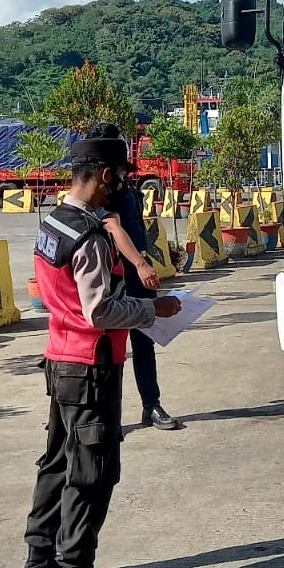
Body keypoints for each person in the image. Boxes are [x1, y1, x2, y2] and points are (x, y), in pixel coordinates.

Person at [21, 135, 180, 568]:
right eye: (122, 177)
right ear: (105, 175)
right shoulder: (89, 236)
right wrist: (155, 310)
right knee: (92, 471)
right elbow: (100, 311)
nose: (124, 186)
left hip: (61, 360)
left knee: (56, 462)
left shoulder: (54, 223)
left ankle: (40, 563)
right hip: (92, 365)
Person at [86, 122, 183, 431]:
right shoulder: (101, 192)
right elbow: (113, 228)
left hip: (138, 273)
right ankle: (95, 413)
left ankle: (150, 405)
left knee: (145, 341)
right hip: (114, 275)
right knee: (105, 346)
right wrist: (140, 264)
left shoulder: (124, 185)